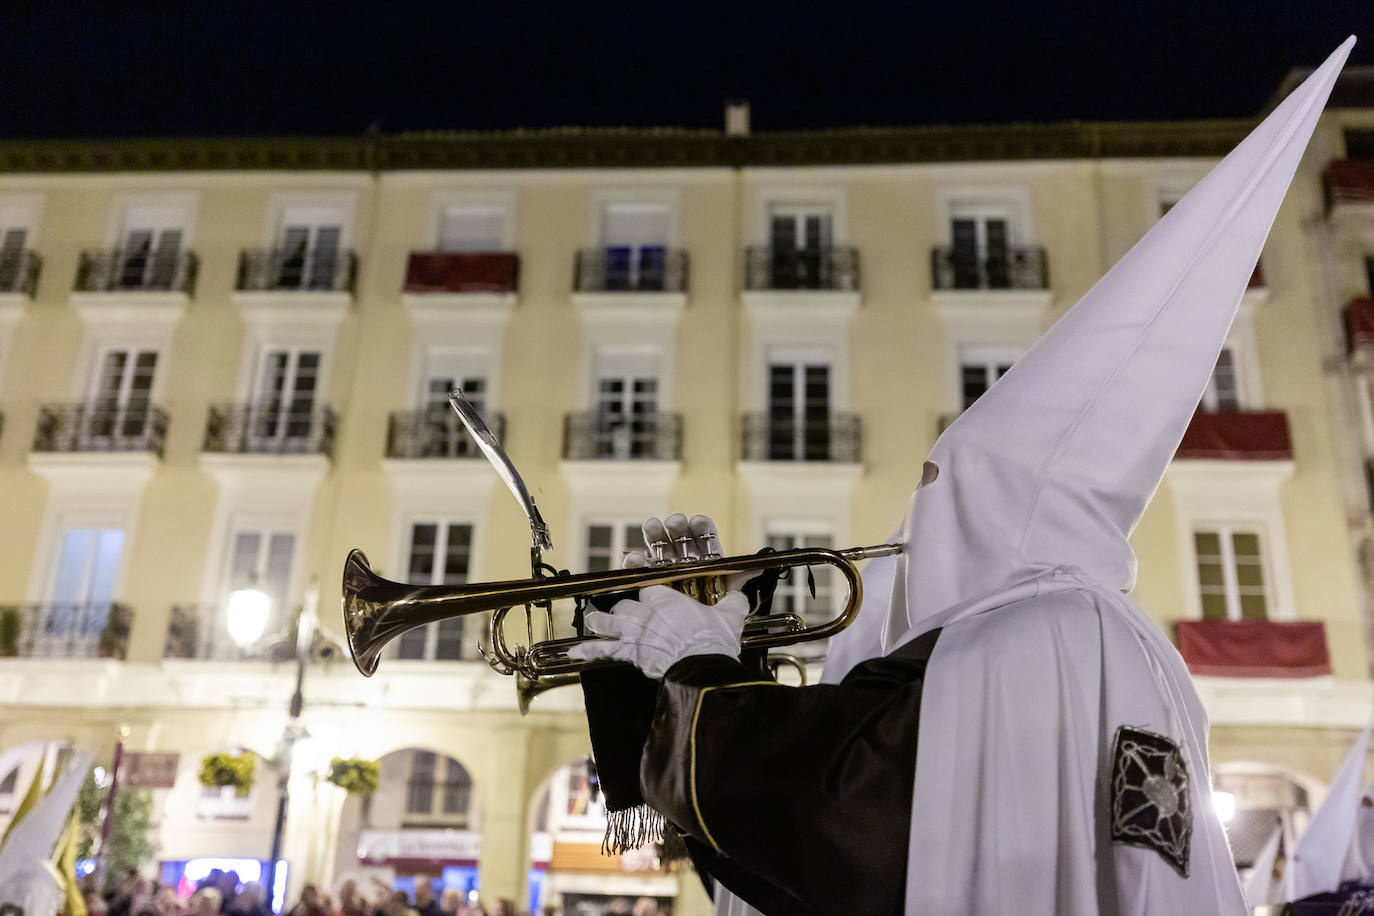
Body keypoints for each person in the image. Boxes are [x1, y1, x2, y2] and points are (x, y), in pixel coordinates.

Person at [569, 38, 1356, 916]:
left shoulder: (1034, 634)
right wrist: (722, 662)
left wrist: (704, 665)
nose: (919, 522)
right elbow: (832, 844)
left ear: (995, 490)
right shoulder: (1121, 643)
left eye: (938, 483)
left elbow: (841, 814)